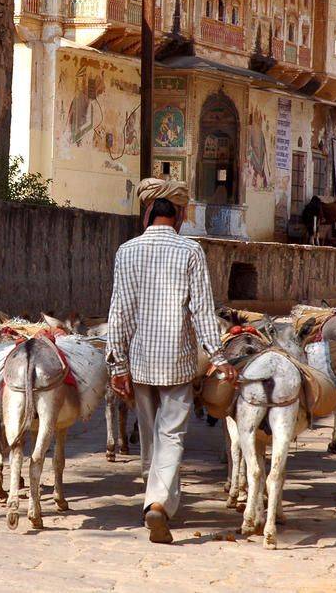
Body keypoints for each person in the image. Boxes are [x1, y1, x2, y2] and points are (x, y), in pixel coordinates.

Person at [106, 178, 234, 544]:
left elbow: (120, 313)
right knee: (172, 435)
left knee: (150, 435)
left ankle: (155, 498)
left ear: (147, 213)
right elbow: (202, 311)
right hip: (177, 361)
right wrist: (219, 356)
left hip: (140, 362)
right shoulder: (190, 251)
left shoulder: (126, 251)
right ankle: (158, 503)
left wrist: (116, 364)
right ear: (178, 216)